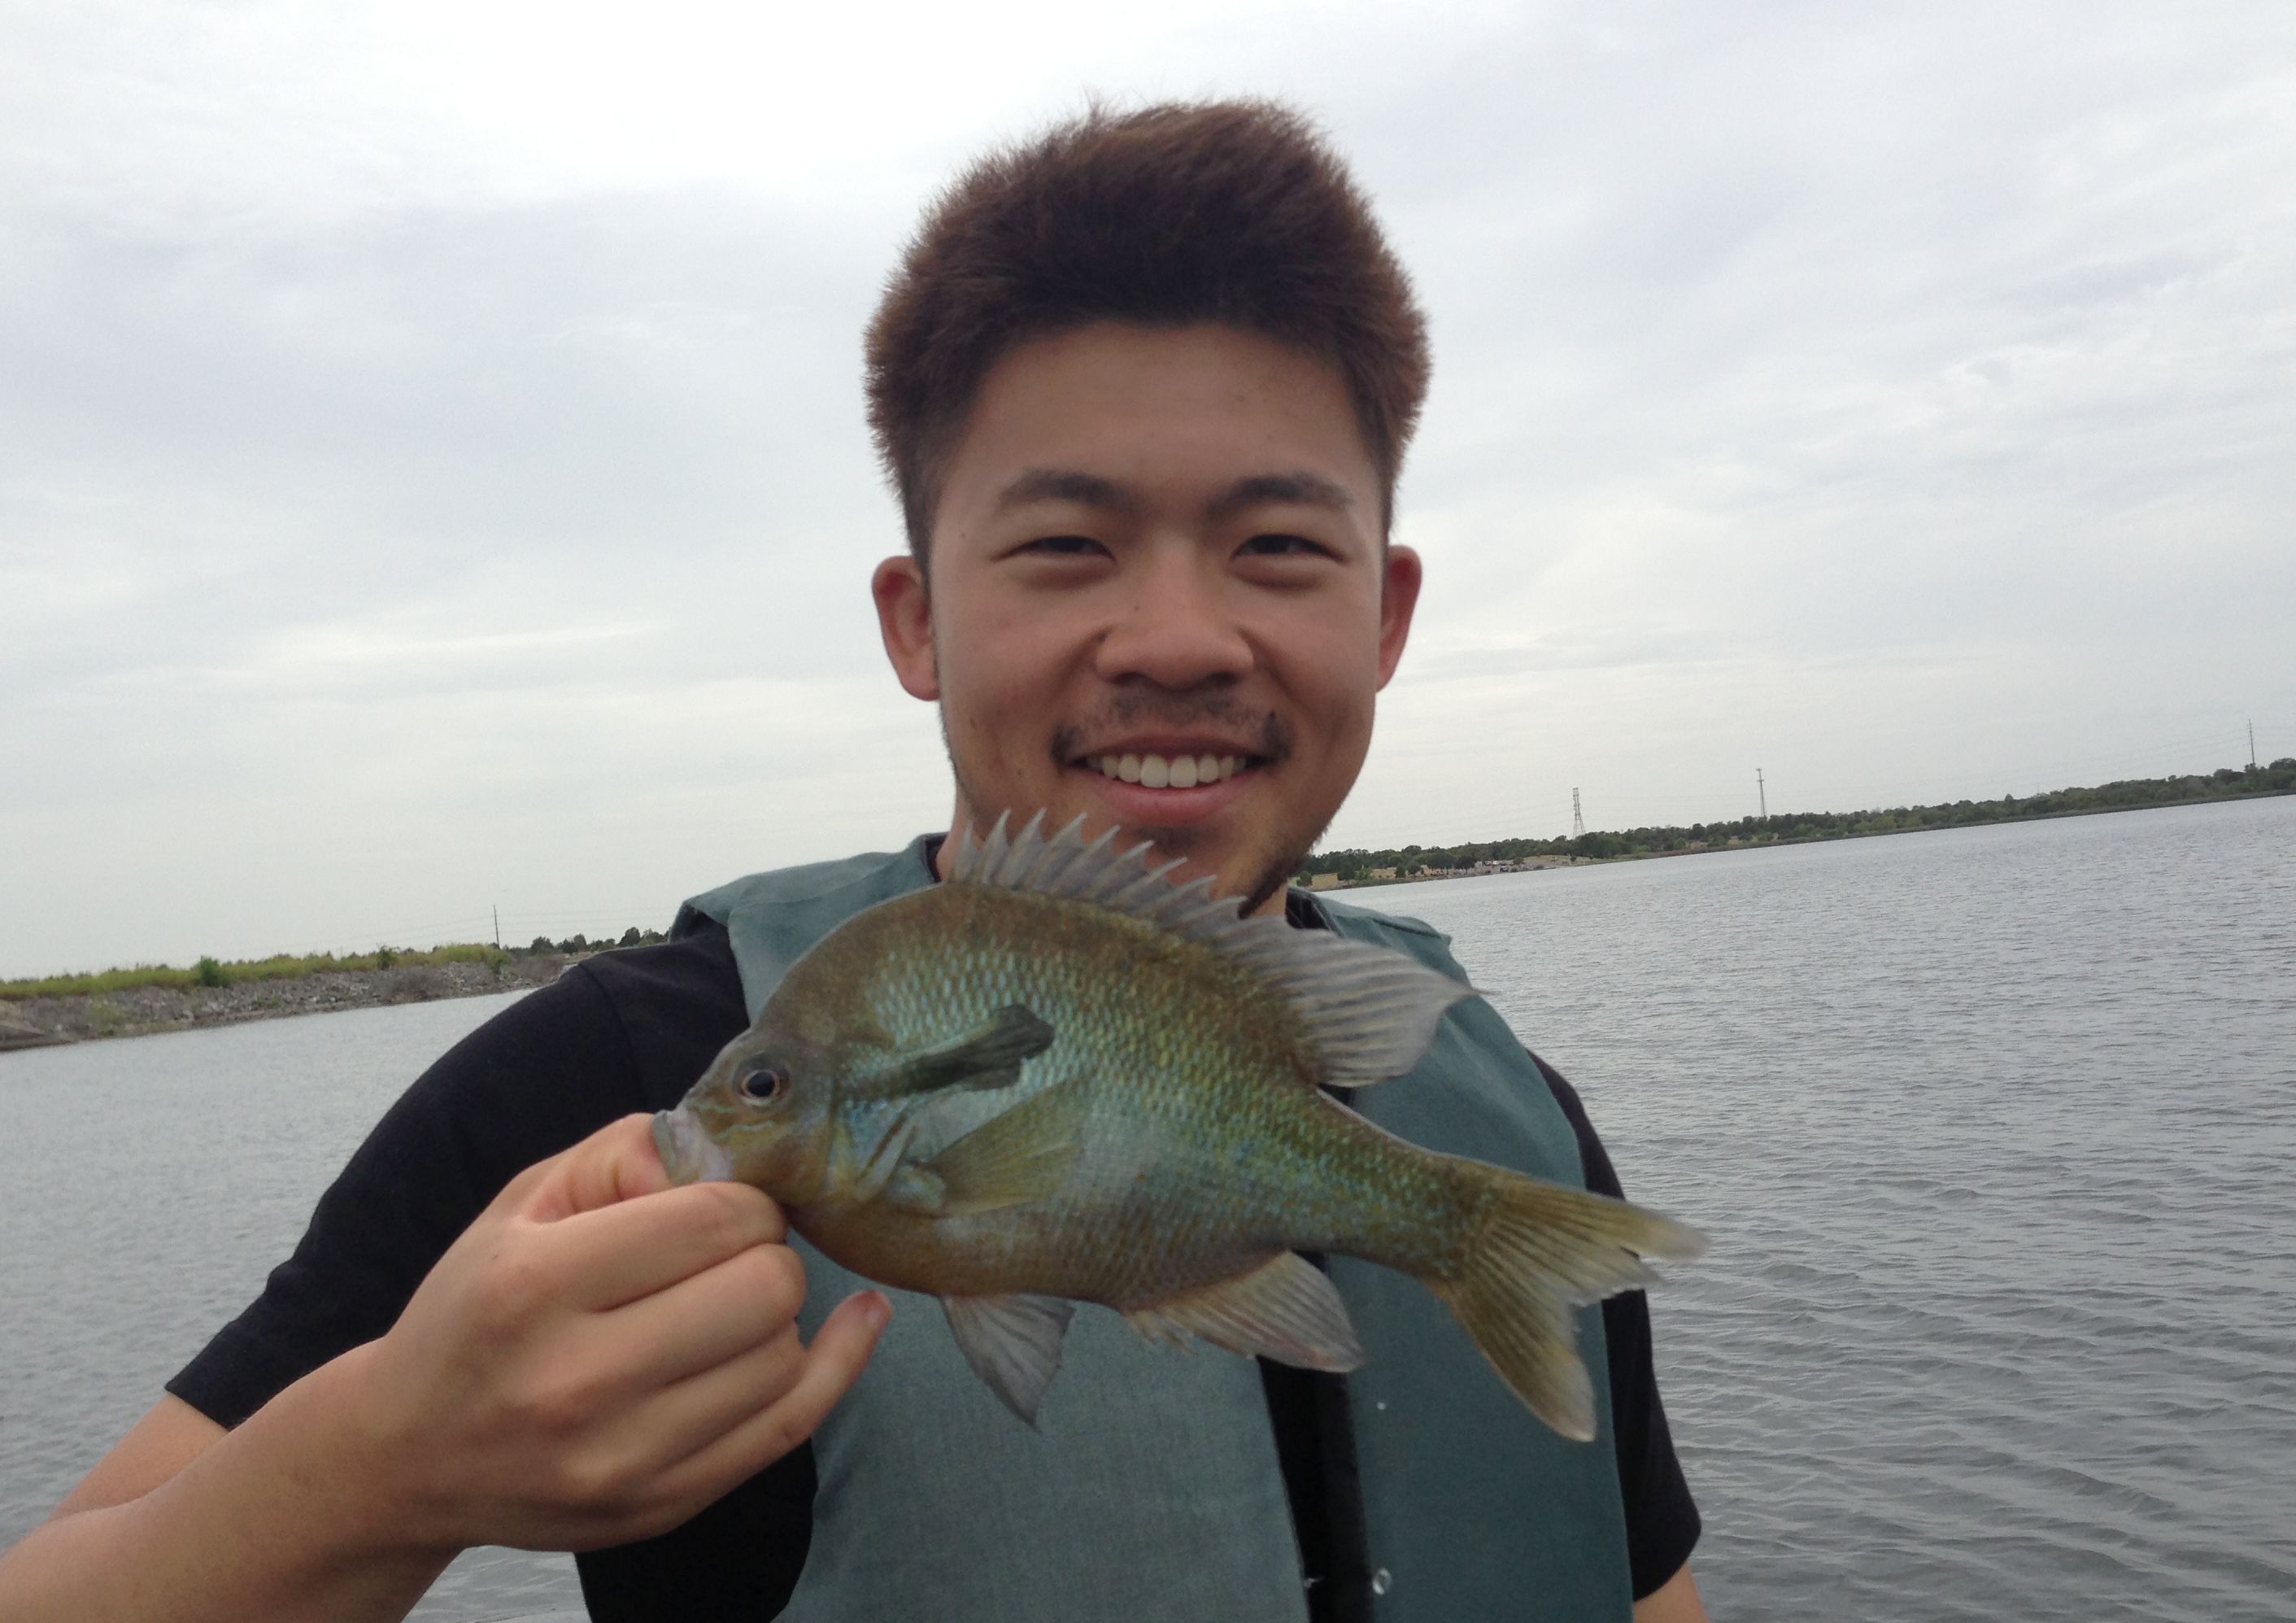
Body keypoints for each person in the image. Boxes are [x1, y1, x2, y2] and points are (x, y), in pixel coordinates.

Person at [0, 100, 1706, 1621]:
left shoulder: (1510, 1115)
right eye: (1066, 544)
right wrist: (388, 1463)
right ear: (917, 621)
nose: (1179, 637)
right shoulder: (617, 1079)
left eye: (1274, 545)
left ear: (1385, 615)